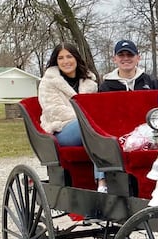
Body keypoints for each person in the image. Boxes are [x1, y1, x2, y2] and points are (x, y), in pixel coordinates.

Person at [38, 42, 107, 192]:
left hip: (88, 130)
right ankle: (102, 182)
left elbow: (96, 109)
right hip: (61, 129)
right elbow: (53, 110)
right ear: (56, 61)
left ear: (76, 58)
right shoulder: (48, 82)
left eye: (69, 56)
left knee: (100, 130)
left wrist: (89, 118)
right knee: (91, 126)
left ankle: (112, 179)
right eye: (61, 58)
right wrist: (84, 117)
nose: (66, 61)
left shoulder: (90, 84)